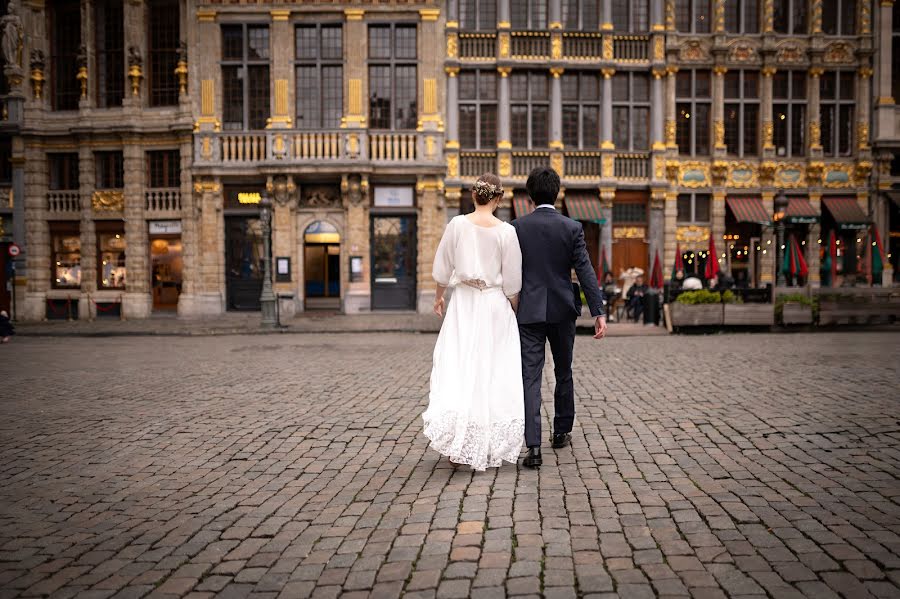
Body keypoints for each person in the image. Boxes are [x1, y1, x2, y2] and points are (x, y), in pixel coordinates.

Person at [423, 173, 525, 471]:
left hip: (464, 302)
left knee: (459, 365)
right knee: (493, 369)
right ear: (498, 199)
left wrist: (439, 297)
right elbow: (513, 281)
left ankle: (459, 444)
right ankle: (487, 440)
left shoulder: (457, 225)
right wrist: (514, 311)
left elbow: (442, 268)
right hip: (494, 303)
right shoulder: (506, 232)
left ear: (473, 195)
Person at [512, 166, 607, 469]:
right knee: (564, 369)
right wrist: (598, 310)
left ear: (529, 196)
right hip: (563, 309)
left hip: (528, 311)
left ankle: (534, 447)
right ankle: (562, 430)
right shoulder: (572, 227)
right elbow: (585, 270)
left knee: (531, 376)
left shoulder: (516, 227)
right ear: (558, 193)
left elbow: (510, 272)